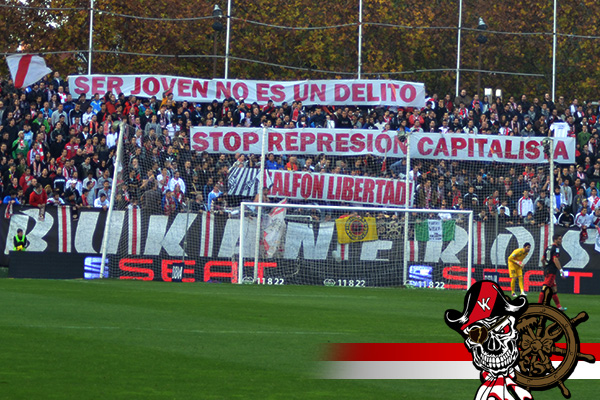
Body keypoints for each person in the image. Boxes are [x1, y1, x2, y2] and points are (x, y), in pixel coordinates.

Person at [539, 234, 566, 310]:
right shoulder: (556, 248)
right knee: (545, 288)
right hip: (551, 271)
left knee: (554, 289)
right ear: (555, 240)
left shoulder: (548, 247)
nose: (561, 241)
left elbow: (542, 259)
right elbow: (555, 259)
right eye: (559, 239)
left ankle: (559, 307)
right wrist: (561, 271)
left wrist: (545, 267)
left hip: (547, 270)